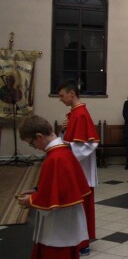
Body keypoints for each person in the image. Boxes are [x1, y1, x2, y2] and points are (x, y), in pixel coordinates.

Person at [16, 115, 90, 259]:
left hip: (58, 227)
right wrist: (38, 191)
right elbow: (59, 186)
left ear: (39, 136)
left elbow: (57, 196)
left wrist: (30, 200)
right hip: (65, 221)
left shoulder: (55, 157)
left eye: (32, 144)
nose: (35, 148)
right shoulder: (63, 151)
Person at [57, 80, 99, 256]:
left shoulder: (80, 114)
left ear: (72, 94)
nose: (60, 99)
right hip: (76, 168)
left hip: (82, 170)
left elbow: (90, 144)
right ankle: (77, 240)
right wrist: (62, 131)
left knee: (81, 206)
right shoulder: (74, 113)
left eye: (62, 96)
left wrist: (67, 149)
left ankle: (83, 243)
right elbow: (70, 139)